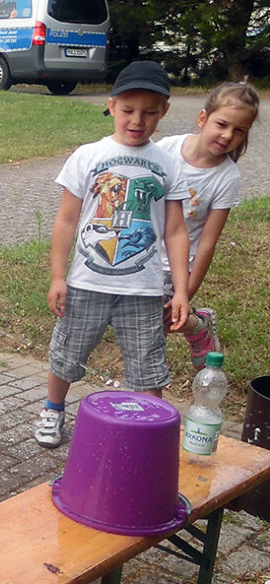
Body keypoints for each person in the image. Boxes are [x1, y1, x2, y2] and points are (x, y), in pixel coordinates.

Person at [34, 60, 192, 448]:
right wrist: (57, 276)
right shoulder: (87, 156)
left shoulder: (169, 163)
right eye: (128, 110)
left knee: (148, 366)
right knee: (67, 354)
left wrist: (181, 290)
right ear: (112, 105)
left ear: (164, 112)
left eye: (149, 111)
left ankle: (151, 434)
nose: (137, 120)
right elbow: (67, 221)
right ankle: (53, 410)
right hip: (87, 280)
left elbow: (175, 230)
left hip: (143, 287)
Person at [156, 82, 260, 369]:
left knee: (155, 322)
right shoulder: (167, 149)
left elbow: (208, 243)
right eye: (222, 124)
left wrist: (185, 293)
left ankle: (195, 327)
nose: (228, 135)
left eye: (239, 130)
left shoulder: (227, 178)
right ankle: (197, 325)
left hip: (176, 265)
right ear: (203, 119)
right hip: (141, 253)